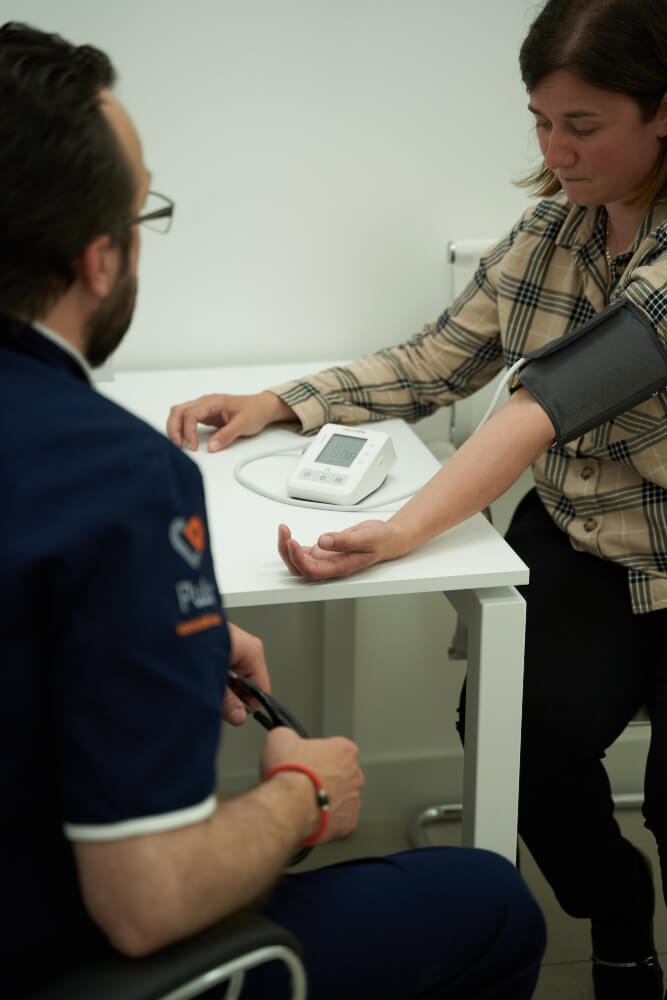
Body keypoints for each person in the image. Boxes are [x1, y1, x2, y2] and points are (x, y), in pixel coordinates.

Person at [0, 20, 547, 1000]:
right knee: (491, 901)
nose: (554, 148)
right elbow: (146, 901)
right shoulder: (121, 478)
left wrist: (153, 635)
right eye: (142, 215)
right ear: (98, 259)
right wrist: (301, 795)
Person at [167, 1, 667, 998]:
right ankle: (618, 912)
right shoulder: (550, 229)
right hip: (585, 543)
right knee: (517, 732)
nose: (553, 149)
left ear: (662, 115)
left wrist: (400, 529)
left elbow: (542, 406)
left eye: (581, 125)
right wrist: (282, 401)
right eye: (538, 119)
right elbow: (440, 357)